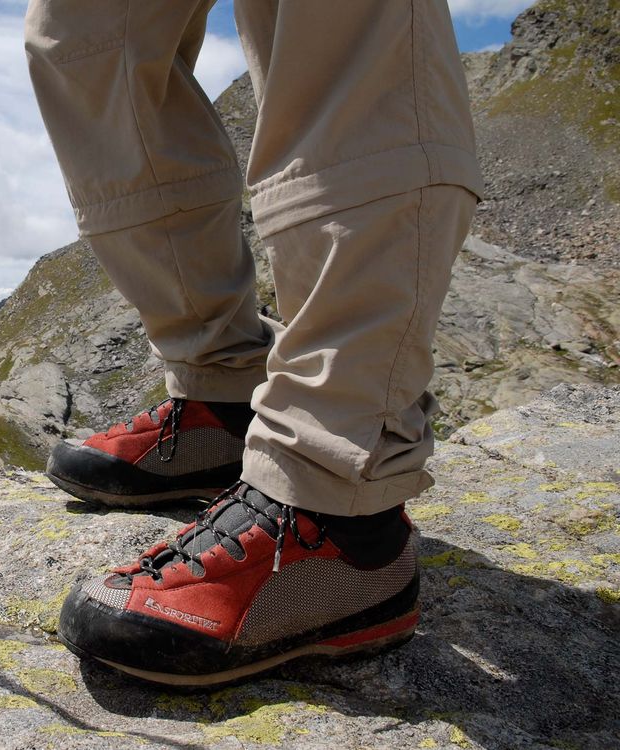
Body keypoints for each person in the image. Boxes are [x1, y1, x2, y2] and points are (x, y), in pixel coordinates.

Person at [24, 0, 483, 687]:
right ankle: (220, 386)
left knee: (337, 23)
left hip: (340, 499)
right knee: (81, 39)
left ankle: (339, 495)